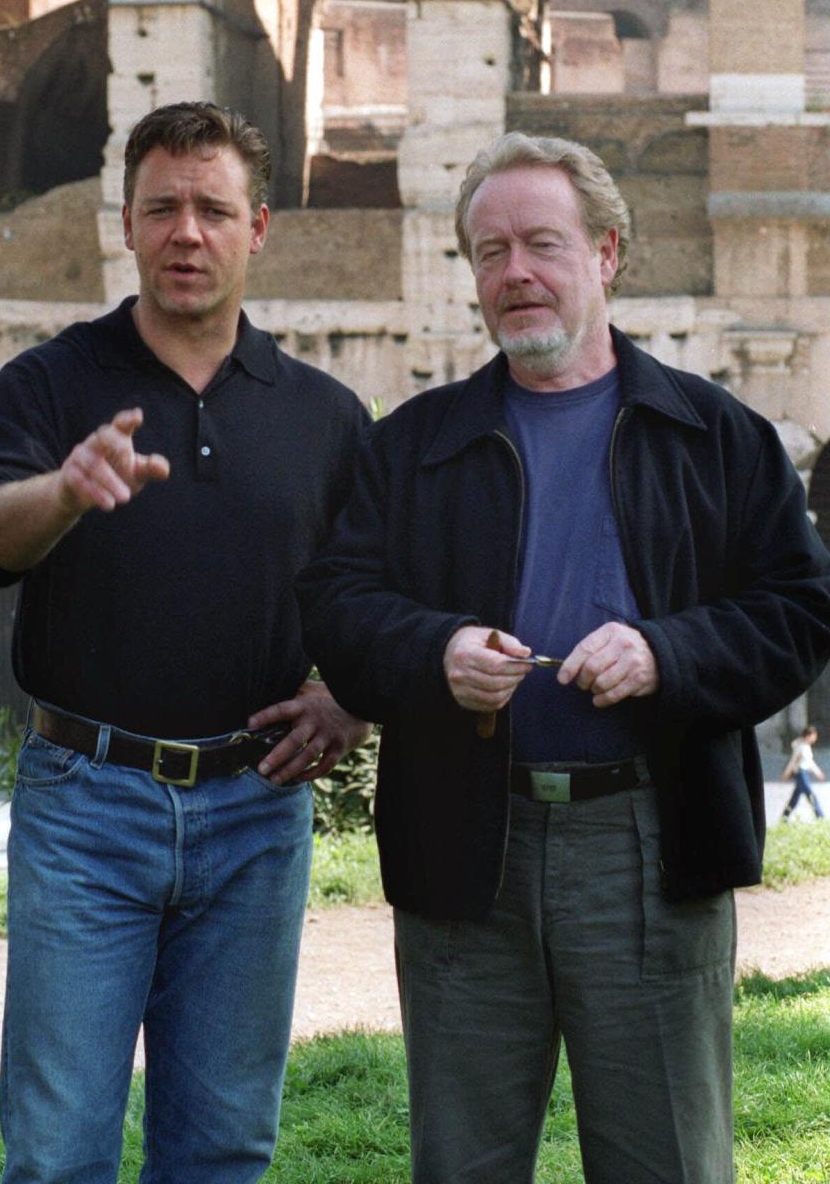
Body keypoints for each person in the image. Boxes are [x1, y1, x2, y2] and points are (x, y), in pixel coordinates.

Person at [297, 132, 830, 1183]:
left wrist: (666, 651)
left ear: (608, 254)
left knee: (665, 1160)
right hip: (464, 842)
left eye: (543, 243)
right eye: (490, 253)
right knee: (463, 1163)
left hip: (651, 840)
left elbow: (802, 608)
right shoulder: (412, 443)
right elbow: (339, 604)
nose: (516, 274)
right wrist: (436, 648)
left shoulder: (716, 435)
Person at [0, 100, 371, 1184]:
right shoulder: (51, 383)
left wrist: (353, 698)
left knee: (223, 1147)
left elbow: (380, 593)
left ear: (258, 229)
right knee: (56, 1149)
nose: (188, 232)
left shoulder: (323, 414)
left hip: (256, 813)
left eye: (214, 210)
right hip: (88, 802)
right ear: (123, 223)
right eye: (163, 207)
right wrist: (63, 492)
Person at [781, 725, 826, 820]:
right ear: (808, 735)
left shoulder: (805, 746)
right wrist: (787, 773)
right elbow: (794, 761)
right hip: (801, 774)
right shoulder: (801, 747)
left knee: (795, 798)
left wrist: (818, 772)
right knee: (811, 796)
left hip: (804, 774)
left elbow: (810, 762)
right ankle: (820, 816)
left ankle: (785, 817)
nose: (815, 738)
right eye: (814, 735)